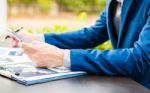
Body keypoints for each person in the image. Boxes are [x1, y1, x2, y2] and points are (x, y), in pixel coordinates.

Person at [6, 0, 150, 89]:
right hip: (123, 84)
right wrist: (35, 38)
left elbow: (140, 59)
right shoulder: (112, 2)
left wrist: (62, 57)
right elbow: (92, 34)